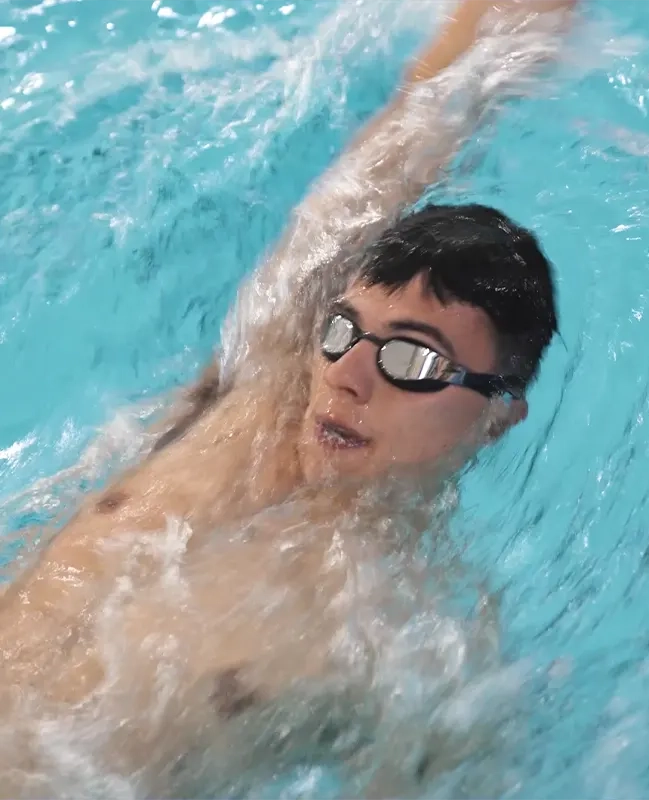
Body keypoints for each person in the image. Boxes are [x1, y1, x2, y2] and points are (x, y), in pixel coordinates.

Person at [0, 0, 575, 796]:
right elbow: (406, 138)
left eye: (411, 358)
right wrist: (500, 32)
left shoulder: (415, 643)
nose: (348, 374)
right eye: (344, 331)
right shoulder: (253, 396)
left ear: (497, 417)